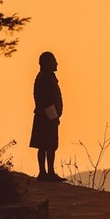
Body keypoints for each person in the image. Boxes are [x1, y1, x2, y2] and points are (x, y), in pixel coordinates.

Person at [29, 51, 65, 182]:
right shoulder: (44, 78)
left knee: (49, 145)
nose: (56, 63)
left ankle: (48, 172)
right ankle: (45, 173)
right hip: (45, 117)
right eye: (53, 61)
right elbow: (45, 100)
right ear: (46, 63)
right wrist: (53, 117)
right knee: (46, 145)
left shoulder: (47, 77)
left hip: (46, 116)